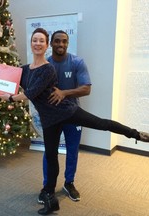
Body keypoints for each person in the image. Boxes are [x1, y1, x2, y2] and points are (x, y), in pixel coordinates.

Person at [0, 28, 149, 215]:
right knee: (51, 157)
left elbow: (31, 93)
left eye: (41, 41)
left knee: (101, 123)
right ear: (31, 43)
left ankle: (138, 134)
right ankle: (50, 196)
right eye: (34, 40)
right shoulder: (25, 70)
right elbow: (2, 77)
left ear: (46, 46)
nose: (37, 43)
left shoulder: (48, 68)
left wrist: (11, 99)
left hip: (66, 111)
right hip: (49, 119)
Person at [38, 30, 91, 203]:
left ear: (67, 43)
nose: (61, 44)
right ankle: (48, 187)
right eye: (57, 41)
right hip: (52, 117)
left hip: (72, 114)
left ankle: (69, 183)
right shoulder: (44, 64)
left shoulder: (77, 62)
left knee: (72, 151)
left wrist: (64, 93)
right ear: (51, 44)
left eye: (64, 41)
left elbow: (86, 88)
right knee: (50, 153)